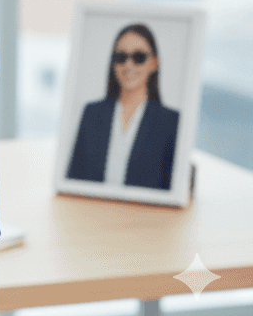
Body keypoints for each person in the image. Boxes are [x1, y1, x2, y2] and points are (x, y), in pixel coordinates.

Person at [65, 24, 179, 191]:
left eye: (139, 57)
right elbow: (73, 178)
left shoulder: (170, 122)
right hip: (91, 213)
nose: (128, 65)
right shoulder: (92, 113)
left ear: (154, 63)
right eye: (121, 57)